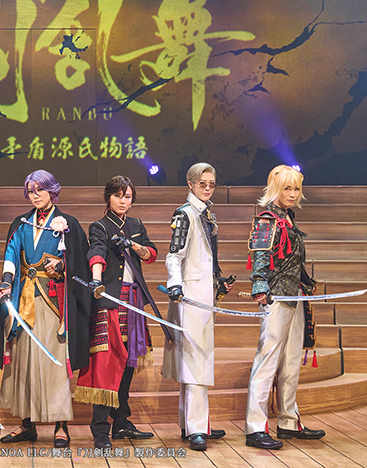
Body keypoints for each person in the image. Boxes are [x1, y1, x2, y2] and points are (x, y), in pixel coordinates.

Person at [0, 170, 91, 448]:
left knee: (53, 363)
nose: (34, 195)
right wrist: (6, 281)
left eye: (40, 190)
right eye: (30, 191)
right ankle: (27, 424)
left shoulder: (68, 223)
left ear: (52, 191)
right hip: (23, 299)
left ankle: (61, 425)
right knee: (23, 361)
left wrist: (61, 265)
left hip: (52, 301)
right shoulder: (21, 223)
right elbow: (11, 252)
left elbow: (79, 262)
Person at [244, 165, 326, 449]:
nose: (292, 194)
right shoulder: (267, 219)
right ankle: (256, 428)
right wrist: (259, 286)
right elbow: (260, 256)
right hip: (276, 297)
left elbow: (293, 260)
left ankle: (289, 421)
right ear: (276, 189)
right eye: (287, 188)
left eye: (296, 189)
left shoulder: (288, 218)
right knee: (267, 361)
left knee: (291, 362)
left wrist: (306, 282)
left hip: (295, 297)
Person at [75, 175, 157, 449]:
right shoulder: (99, 226)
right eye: (118, 196)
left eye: (128, 196)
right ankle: (100, 429)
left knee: (129, 361)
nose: (123, 201)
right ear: (108, 198)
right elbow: (96, 252)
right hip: (109, 300)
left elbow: (151, 254)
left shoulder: (136, 225)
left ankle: (121, 421)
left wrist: (133, 245)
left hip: (134, 300)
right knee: (106, 363)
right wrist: (96, 281)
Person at [162, 163, 234, 451]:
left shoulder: (206, 215)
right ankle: (196, 429)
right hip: (190, 297)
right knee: (194, 362)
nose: (207, 188)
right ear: (190, 184)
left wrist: (218, 281)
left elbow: (207, 257)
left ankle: (193, 424)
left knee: (199, 359)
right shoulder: (185, 214)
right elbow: (173, 256)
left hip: (203, 296)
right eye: (202, 183)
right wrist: (175, 285)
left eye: (211, 184)